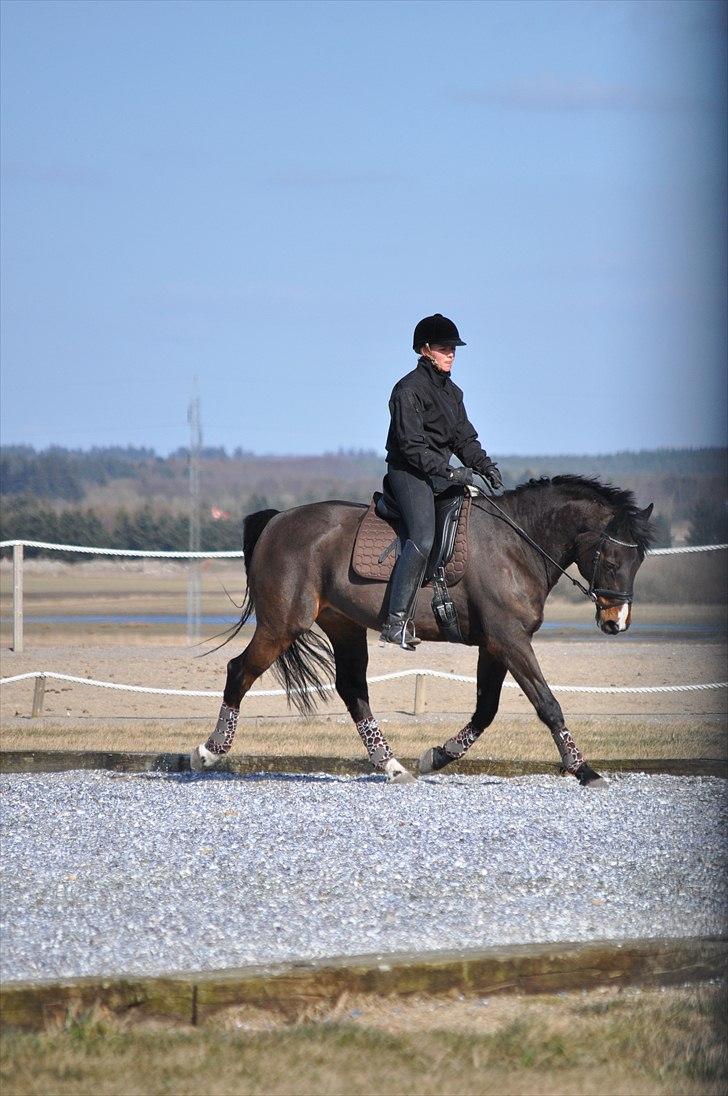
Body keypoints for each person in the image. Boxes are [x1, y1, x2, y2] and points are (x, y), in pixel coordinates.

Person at [379, 313, 503, 649]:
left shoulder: (453, 393)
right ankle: (396, 621)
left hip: (437, 474)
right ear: (425, 350)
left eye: (453, 349)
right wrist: (450, 472)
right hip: (409, 473)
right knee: (422, 537)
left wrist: (484, 465)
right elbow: (411, 446)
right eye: (444, 348)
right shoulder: (407, 390)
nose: (451, 354)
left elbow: (464, 439)